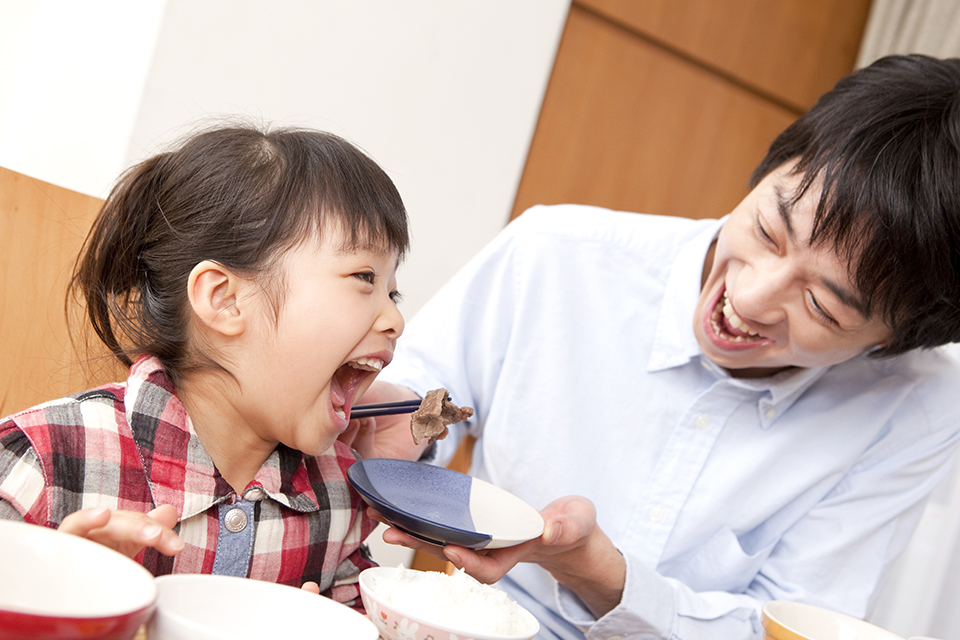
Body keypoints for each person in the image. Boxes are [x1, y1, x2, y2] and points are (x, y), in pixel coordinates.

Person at [342, 54, 960, 638]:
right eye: (769, 231)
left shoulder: (918, 403)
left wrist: (600, 572)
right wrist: (403, 431)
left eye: (822, 304)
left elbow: (796, 622)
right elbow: (418, 401)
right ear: (772, 164)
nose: (749, 298)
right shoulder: (557, 252)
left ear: (896, 342)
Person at [0, 124, 409, 608]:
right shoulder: (42, 465)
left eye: (393, 291)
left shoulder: (340, 496)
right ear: (225, 300)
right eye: (364, 277)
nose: (396, 319)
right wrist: (46, 603)